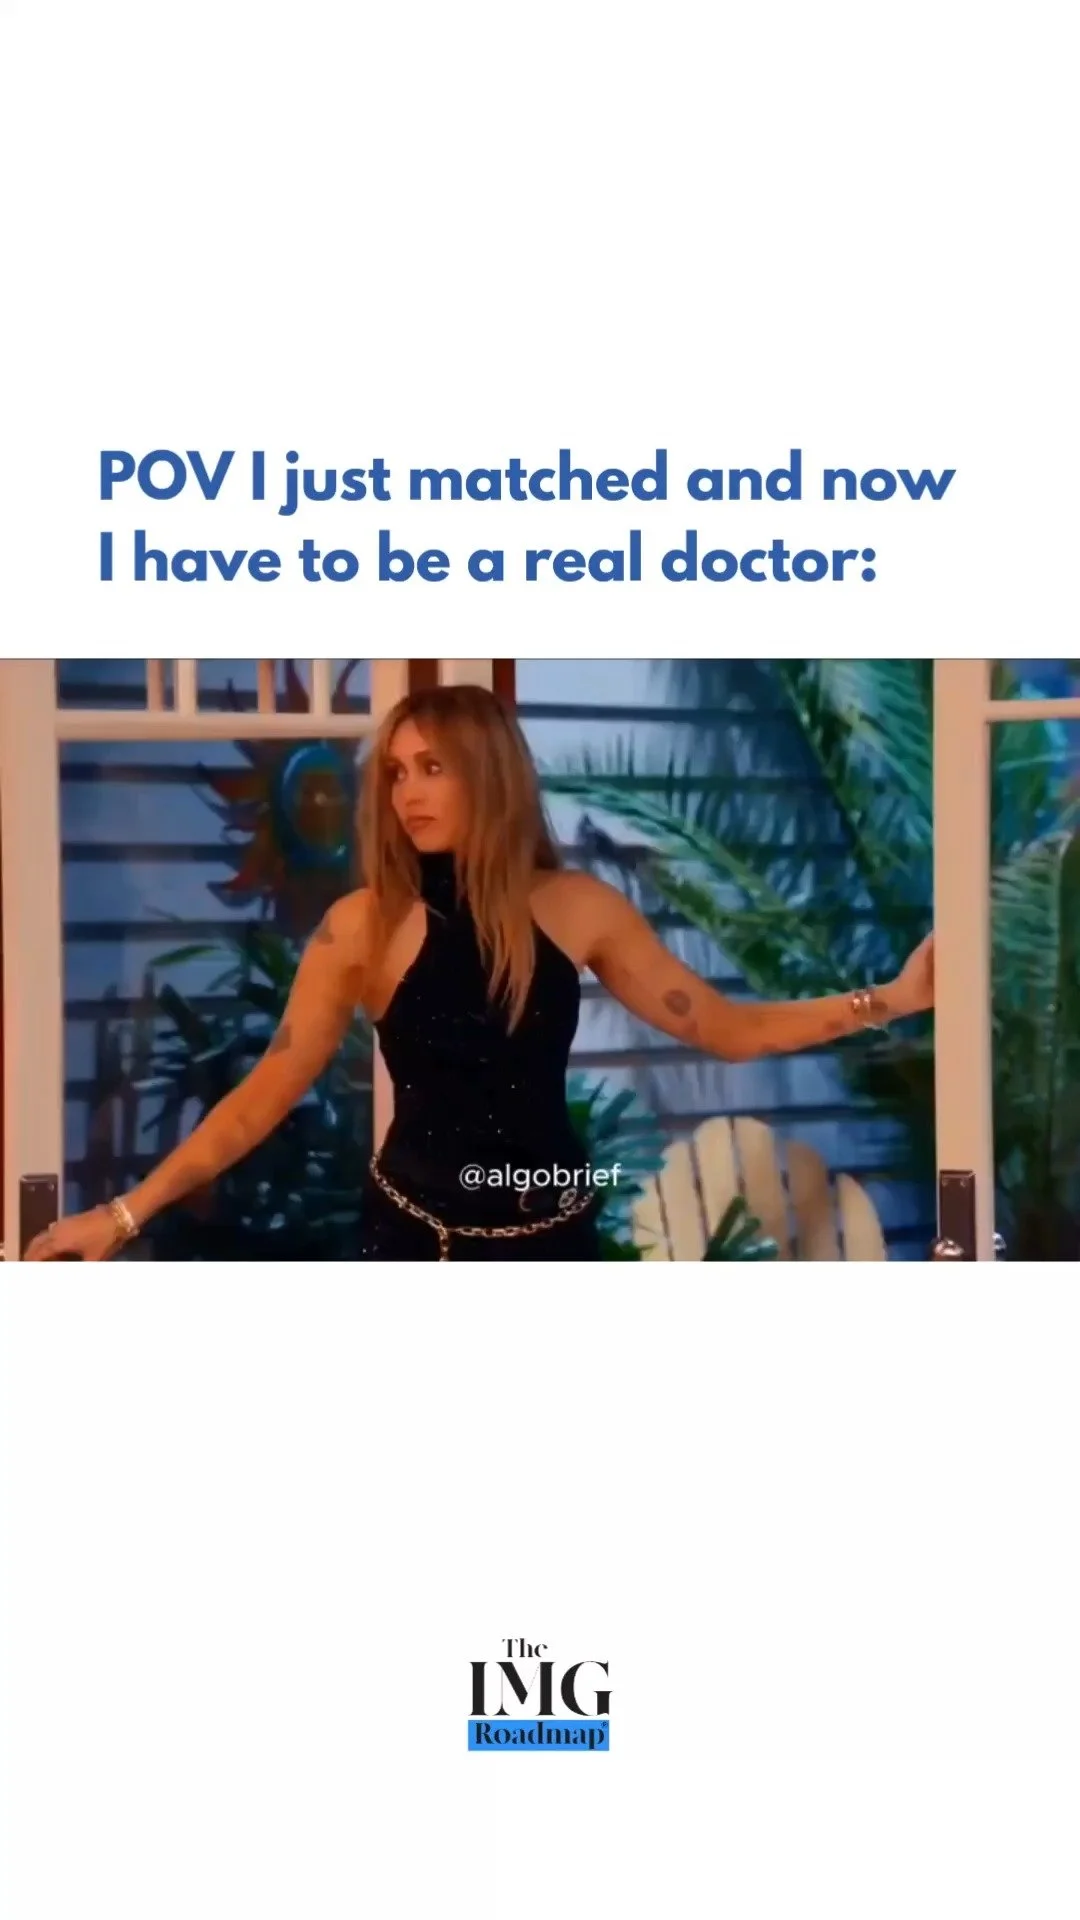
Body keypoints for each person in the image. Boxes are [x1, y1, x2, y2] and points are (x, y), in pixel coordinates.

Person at [25, 683, 935, 1263]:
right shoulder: (365, 926)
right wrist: (124, 1215)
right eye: (395, 773)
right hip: (413, 1241)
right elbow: (262, 1097)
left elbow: (728, 1030)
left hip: (552, 1241)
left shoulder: (577, 908)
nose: (407, 793)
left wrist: (890, 1000)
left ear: (488, 776)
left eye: (431, 768)